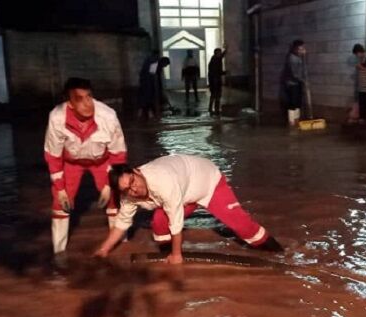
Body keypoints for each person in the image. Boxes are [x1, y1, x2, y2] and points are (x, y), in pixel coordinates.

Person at [94, 155, 283, 264]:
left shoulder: (162, 181)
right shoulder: (128, 196)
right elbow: (122, 223)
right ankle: (166, 256)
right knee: (158, 223)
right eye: (127, 189)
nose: (134, 190)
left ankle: (279, 253)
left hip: (208, 182)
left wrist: (178, 255)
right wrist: (104, 249)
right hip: (184, 191)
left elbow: (176, 221)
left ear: (136, 171)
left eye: (133, 182)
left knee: (243, 227)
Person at [44, 77, 127, 254]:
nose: (87, 103)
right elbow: (53, 156)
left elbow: (118, 154)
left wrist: (108, 184)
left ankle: (122, 245)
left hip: (103, 161)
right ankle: (58, 253)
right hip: (71, 162)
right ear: (70, 103)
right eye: (80, 99)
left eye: (89, 96)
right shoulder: (56, 118)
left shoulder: (108, 116)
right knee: (60, 202)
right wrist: (60, 189)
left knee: (115, 196)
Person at [282, 39, 306, 126]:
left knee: (298, 101)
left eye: (303, 48)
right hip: (292, 83)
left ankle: (297, 119)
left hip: (297, 82)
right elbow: (294, 73)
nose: (302, 50)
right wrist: (303, 80)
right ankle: (292, 121)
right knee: (293, 102)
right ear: (295, 49)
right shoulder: (292, 58)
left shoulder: (298, 57)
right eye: (300, 49)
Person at [137, 51, 160, 120]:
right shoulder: (154, 61)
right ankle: (150, 114)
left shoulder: (147, 60)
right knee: (148, 98)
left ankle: (140, 114)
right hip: (148, 82)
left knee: (143, 98)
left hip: (143, 82)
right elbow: (152, 73)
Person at [348, 43, 366, 122]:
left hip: (361, 83)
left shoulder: (361, 58)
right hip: (358, 83)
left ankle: (355, 116)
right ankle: (354, 116)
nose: (359, 55)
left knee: (358, 100)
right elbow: (358, 66)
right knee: (357, 100)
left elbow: (360, 66)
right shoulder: (356, 58)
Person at [207, 46, 227, 116]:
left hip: (214, 79)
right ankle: (216, 109)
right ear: (216, 53)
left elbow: (222, 56)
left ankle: (212, 108)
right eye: (219, 52)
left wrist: (226, 49)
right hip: (215, 80)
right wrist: (225, 72)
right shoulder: (215, 60)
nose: (220, 54)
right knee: (216, 95)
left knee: (214, 95)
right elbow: (216, 71)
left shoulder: (216, 59)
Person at [357, 57, 366, 122]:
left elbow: (357, 65)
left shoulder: (361, 70)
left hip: (362, 90)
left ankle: (362, 118)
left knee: (362, 105)